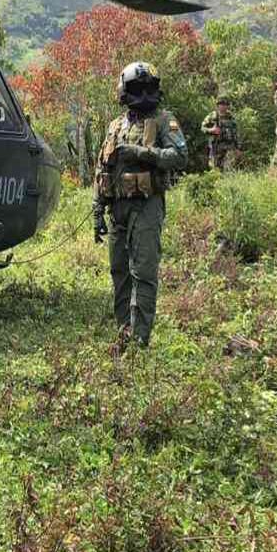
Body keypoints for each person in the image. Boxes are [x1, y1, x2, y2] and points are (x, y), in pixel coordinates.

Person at [92, 62, 187, 351]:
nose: (143, 93)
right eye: (137, 88)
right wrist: (98, 209)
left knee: (143, 273)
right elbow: (101, 168)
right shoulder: (115, 126)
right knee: (119, 272)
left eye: (147, 87)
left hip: (147, 207)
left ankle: (140, 340)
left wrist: (142, 153)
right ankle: (123, 334)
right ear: (124, 90)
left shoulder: (163, 120)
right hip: (117, 208)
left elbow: (179, 156)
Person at [201, 97, 240, 171]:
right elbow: (202, 128)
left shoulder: (231, 117)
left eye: (225, 104)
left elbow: (235, 133)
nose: (224, 106)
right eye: (222, 104)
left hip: (229, 147)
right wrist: (211, 130)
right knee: (216, 168)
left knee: (229, 168)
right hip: (216, 147)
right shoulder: (212, 116)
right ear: (218, 105)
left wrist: (237, 148)